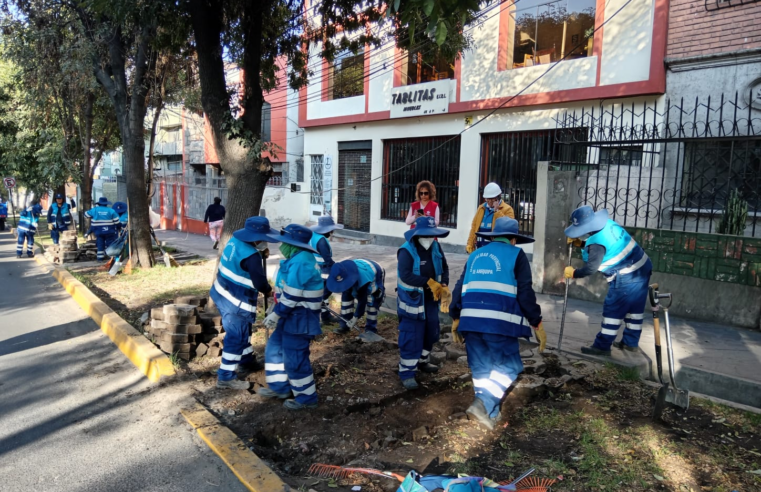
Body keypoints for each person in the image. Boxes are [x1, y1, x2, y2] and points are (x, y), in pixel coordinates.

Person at [450, 217, 547, 430]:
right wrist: (536, 322)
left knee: (481, 367)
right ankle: (483, 404)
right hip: (500, 323)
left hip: (471, 321)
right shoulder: (517, 255)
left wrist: (455, 316)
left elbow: (459, 288)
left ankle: (490, 413)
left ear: (494, 237)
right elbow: (525, 293)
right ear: (513, 239)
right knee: (510, 366)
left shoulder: (474, 255)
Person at [563, 205, 652, 356]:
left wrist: (574, 273)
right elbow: (608, 246)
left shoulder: (596, 243)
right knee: (635, 309)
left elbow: (591, 267)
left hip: (626, 276)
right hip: (642, 268)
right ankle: (631, 343)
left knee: (613, 310)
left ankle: (602, 346)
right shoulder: (608, 225)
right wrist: (583, 244)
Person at [209, 217, 281, 390]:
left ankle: (247, 361)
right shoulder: (252, 256)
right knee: (237, 335)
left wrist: (259, 253)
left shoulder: (235, 241)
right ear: (255, 237)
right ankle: (226, 376)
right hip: (236, 302)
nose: (264, 241)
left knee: (244, 331)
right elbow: (260, 283)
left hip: (220, 293)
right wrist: (269, 291)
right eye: (262, 238)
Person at [260, 224, 324, 411]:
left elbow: (293, 295)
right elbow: (283, 290)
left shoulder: (301, 262)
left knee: (295, 359)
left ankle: (306, 399)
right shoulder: (294, 259)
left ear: (293, 244)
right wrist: (275, 308)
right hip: (289, 315)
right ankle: (280, 388)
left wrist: (276, 314)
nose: (281, 246)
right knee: (274, 349)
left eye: (284, 242)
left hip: (300, 318)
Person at [396, 216, 451, 390]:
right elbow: (405, 275)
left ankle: (423, 361)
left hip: (430, 300)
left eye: (431, 235)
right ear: (417, 235)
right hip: (412, 301)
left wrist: (443, 284)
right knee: (412, 335)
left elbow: (444, 267)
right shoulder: (406, 251)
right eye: (425, 235)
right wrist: (427, 281)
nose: (429, 239)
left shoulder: (435, 246)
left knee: (432, 331)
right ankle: (406, 372)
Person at [326, 259, 386, 342]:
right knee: (346, 297)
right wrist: (322, 299)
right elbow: (330, 286)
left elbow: (362, 300)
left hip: (373, 271)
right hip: (352, 272)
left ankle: (370, 330)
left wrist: (356, 317)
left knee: (372, 300)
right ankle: (344, 325)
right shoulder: (337, 272)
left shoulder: (363, 280)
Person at [309, 215, 343, 323]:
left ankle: (326, 316)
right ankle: (317, 317)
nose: (332, 233)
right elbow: (327, 259)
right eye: (331, 230)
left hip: (315, 267)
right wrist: (337, 269)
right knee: (324, 293)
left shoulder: (313, 236)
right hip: (324, 270)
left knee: (322, 294)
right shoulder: (322, 241)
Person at [466, 182, 515, 253]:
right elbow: (474, 227)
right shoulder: (481, 208)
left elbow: (508, 227)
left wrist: (497, 211)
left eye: (492, 199)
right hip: (480, 246)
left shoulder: (507, 209)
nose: (489, 202)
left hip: (496, 248)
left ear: (499, 197)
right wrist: (470, 244)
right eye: (487, 199)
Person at [85, 197, 121, 261]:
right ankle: (111, 259)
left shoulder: (94, 210)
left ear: (99, 204)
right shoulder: (111, 211)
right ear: (106, 204)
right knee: (110, 244)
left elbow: (86, 215)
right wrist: (119, 227)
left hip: (98, 231)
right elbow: (117, 221)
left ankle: (100, 258)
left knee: (100, 244)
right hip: (109, 231)